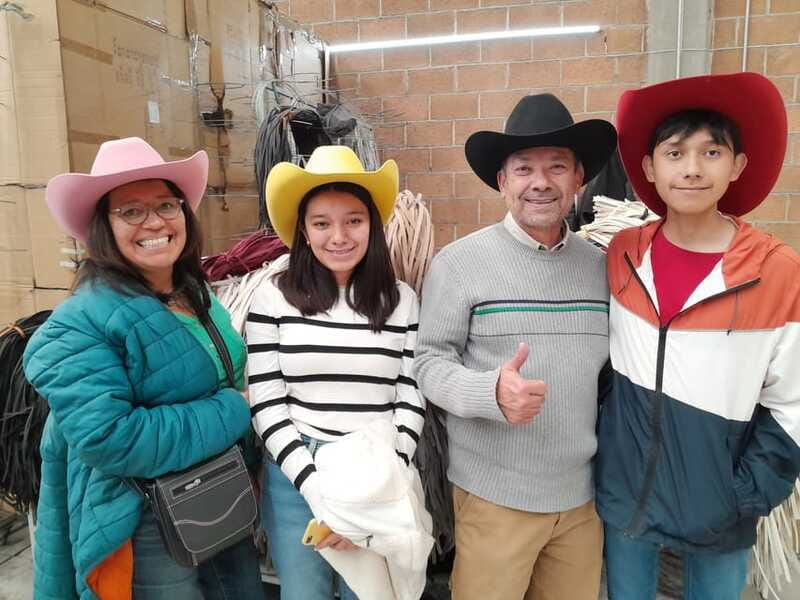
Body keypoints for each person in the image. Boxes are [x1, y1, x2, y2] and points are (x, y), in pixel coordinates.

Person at [22, 137, 263, 599]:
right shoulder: (79, 323)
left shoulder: (196, 294)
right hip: (144, 520)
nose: (154, 222)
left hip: (221, 493)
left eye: (166, 205)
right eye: (131, 211)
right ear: (103, 227)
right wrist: (235, 409)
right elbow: (112, 437)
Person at [596, 72, 800, 600]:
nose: (691, 169)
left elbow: (793, 402)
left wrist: (746, 493)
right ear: (649, 167)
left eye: (711, 153)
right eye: (675, 153)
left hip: (720, 508)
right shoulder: (623, 255)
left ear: (738, 166)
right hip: (628, 497)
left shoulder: (776, 273)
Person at [413, 94, 617, 600]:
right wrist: (490, 392)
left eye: (556, 166)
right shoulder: (459, 263)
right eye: (524, 168)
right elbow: (429, 362)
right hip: (495, 499)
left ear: (579, 177)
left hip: (580, 501)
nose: (540, 182)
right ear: (502, 181)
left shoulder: (600, 269)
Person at [245, 145, 426, 600]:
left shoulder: (401, 300)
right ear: (304, 231)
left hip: (377, 469)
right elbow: (267, 401)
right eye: (321, 223)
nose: (339, 236)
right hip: (297, 473)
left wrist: (388, 475)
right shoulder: (272, 298)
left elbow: (410, 392)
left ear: (372, 226)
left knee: (371, 594)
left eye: (354, 220)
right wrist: (319, 492)